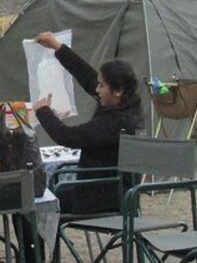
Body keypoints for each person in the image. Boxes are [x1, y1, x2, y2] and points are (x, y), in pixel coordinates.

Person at [31, 32, 143, 214]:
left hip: (101, 196)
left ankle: (37, 234)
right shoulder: (127, 106)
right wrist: (57, 47)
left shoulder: (115, 122)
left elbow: (68, 136)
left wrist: (43, 111)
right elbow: (88, 77)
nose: (97, 90)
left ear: (118, 90)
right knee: (47, 194)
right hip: (113, 190)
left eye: (102, 85)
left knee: (35, 202)